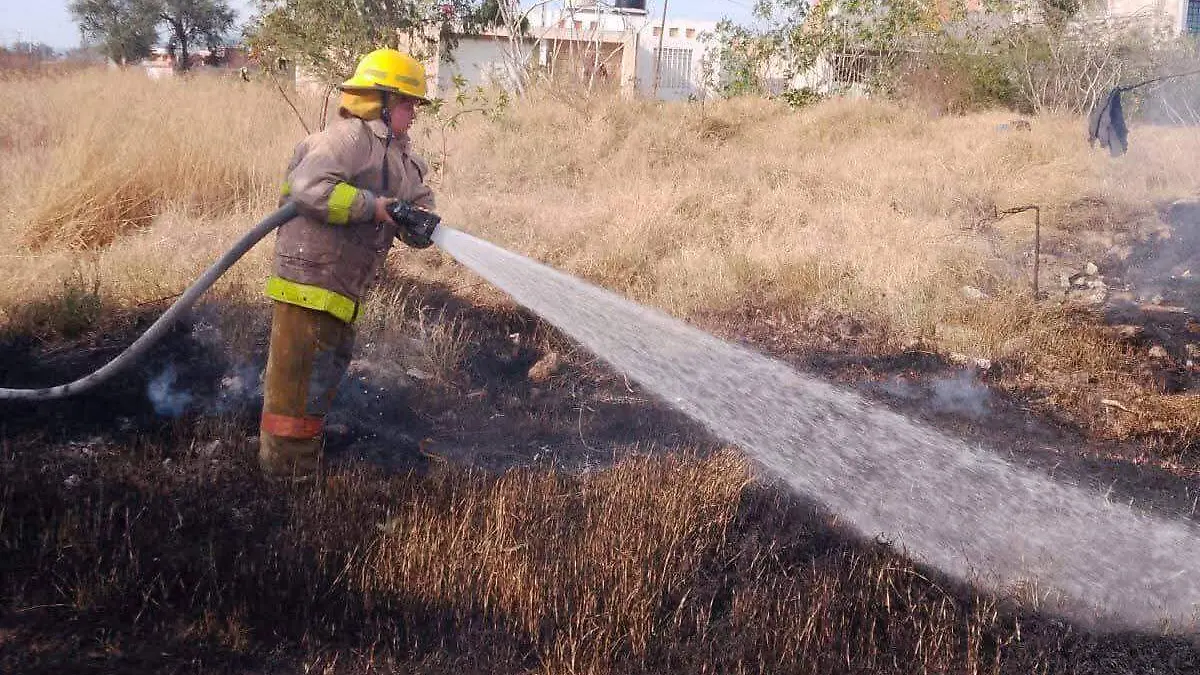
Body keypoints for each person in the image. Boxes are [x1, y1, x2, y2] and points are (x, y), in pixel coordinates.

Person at [259, 48, 436, 479]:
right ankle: (284, 479)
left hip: (341, 289)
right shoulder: (346, 140)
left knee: (318, 382)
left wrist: (420, 224)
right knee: (295, 389)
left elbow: (419, 211)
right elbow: (308, 190)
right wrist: (371, 207)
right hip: (307, 282)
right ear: (384, 101)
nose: (414, 113)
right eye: (409, 103)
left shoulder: (400, 157)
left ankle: (302, 462)